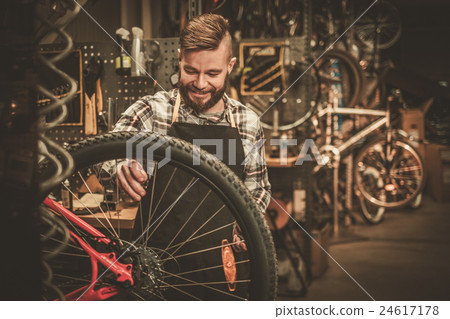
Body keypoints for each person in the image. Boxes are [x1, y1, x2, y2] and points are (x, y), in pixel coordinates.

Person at [114, 13, 271, 214]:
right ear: (179, 59)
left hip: (223, 244)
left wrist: (247, 228)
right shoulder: (153, 111)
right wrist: (120, 165)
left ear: (230, 66)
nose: (200, 84)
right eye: (191, 71)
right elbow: (102, 152)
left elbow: (258, 189)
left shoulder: (247, 122)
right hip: (154, 245)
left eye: (212, 74)